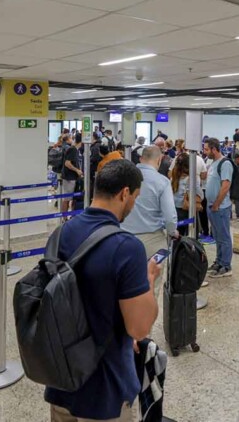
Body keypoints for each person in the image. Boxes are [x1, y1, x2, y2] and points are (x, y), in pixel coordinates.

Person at [44, 160, 160, 422]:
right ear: (124, 193)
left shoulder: (61, 233)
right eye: (135, 198)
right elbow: (139, 328)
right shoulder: (127, 248)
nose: (133, 205)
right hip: (104, 389)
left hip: (61, 380)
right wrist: (149, 278)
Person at [121, 146, 179, 298]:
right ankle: (145, 321)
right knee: (152, 284)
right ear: (159, 160)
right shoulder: (162, 182)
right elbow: (170, 216)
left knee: (124, 284)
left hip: (123, 239)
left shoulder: (124, 178)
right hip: (153, 243)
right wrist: (173, 232)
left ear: (141, 159)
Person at [204, 138, 234, 278]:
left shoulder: (225, 163)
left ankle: (226, 266)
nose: (205, 152)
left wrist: (216, 203)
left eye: (207, 149)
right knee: (217, 236)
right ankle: (219, 261)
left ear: (214, 149)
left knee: (224, 237)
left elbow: (225, 185)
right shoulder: (212, 163)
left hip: (220, 207)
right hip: (212, 206)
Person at [61, 134, 84, 214]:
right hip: (69, 177)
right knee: (67, 199)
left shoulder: (76, 149)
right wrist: (77, 170)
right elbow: (67, 163)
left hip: (73, 177)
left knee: (73, 198)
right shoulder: (72, 149)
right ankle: (64, 218)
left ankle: (71, 216)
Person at [170, 153, 191, 237]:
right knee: (184, 234)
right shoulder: (190, 179)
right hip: (184, 209)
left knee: (177, 234)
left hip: (174, 209)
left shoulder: (173, 176)